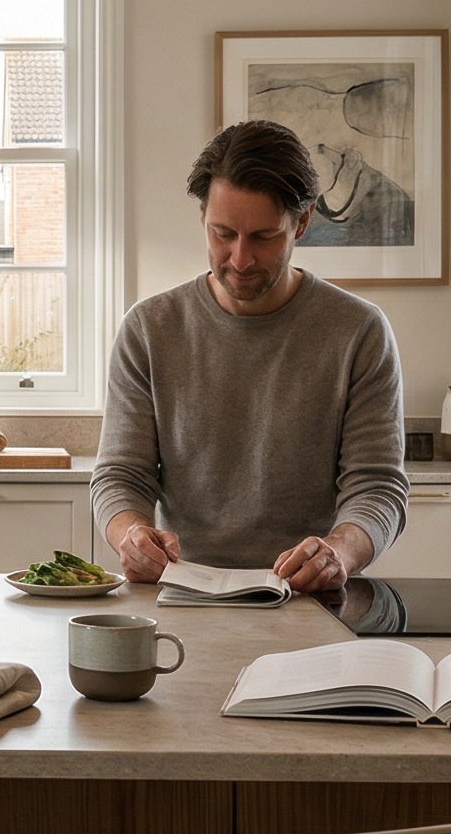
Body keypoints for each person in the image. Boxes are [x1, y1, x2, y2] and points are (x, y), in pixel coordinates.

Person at [92, 120, 407, 593]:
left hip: (309, 596)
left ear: (302, 223)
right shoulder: (149, 329)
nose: (240, 259)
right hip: (185, 590)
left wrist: (338, 552)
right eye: (223, 234)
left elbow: (377, 487)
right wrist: (130, 534)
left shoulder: (359, 332)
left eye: (264, 237)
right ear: (203, 218)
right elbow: (120, 475)